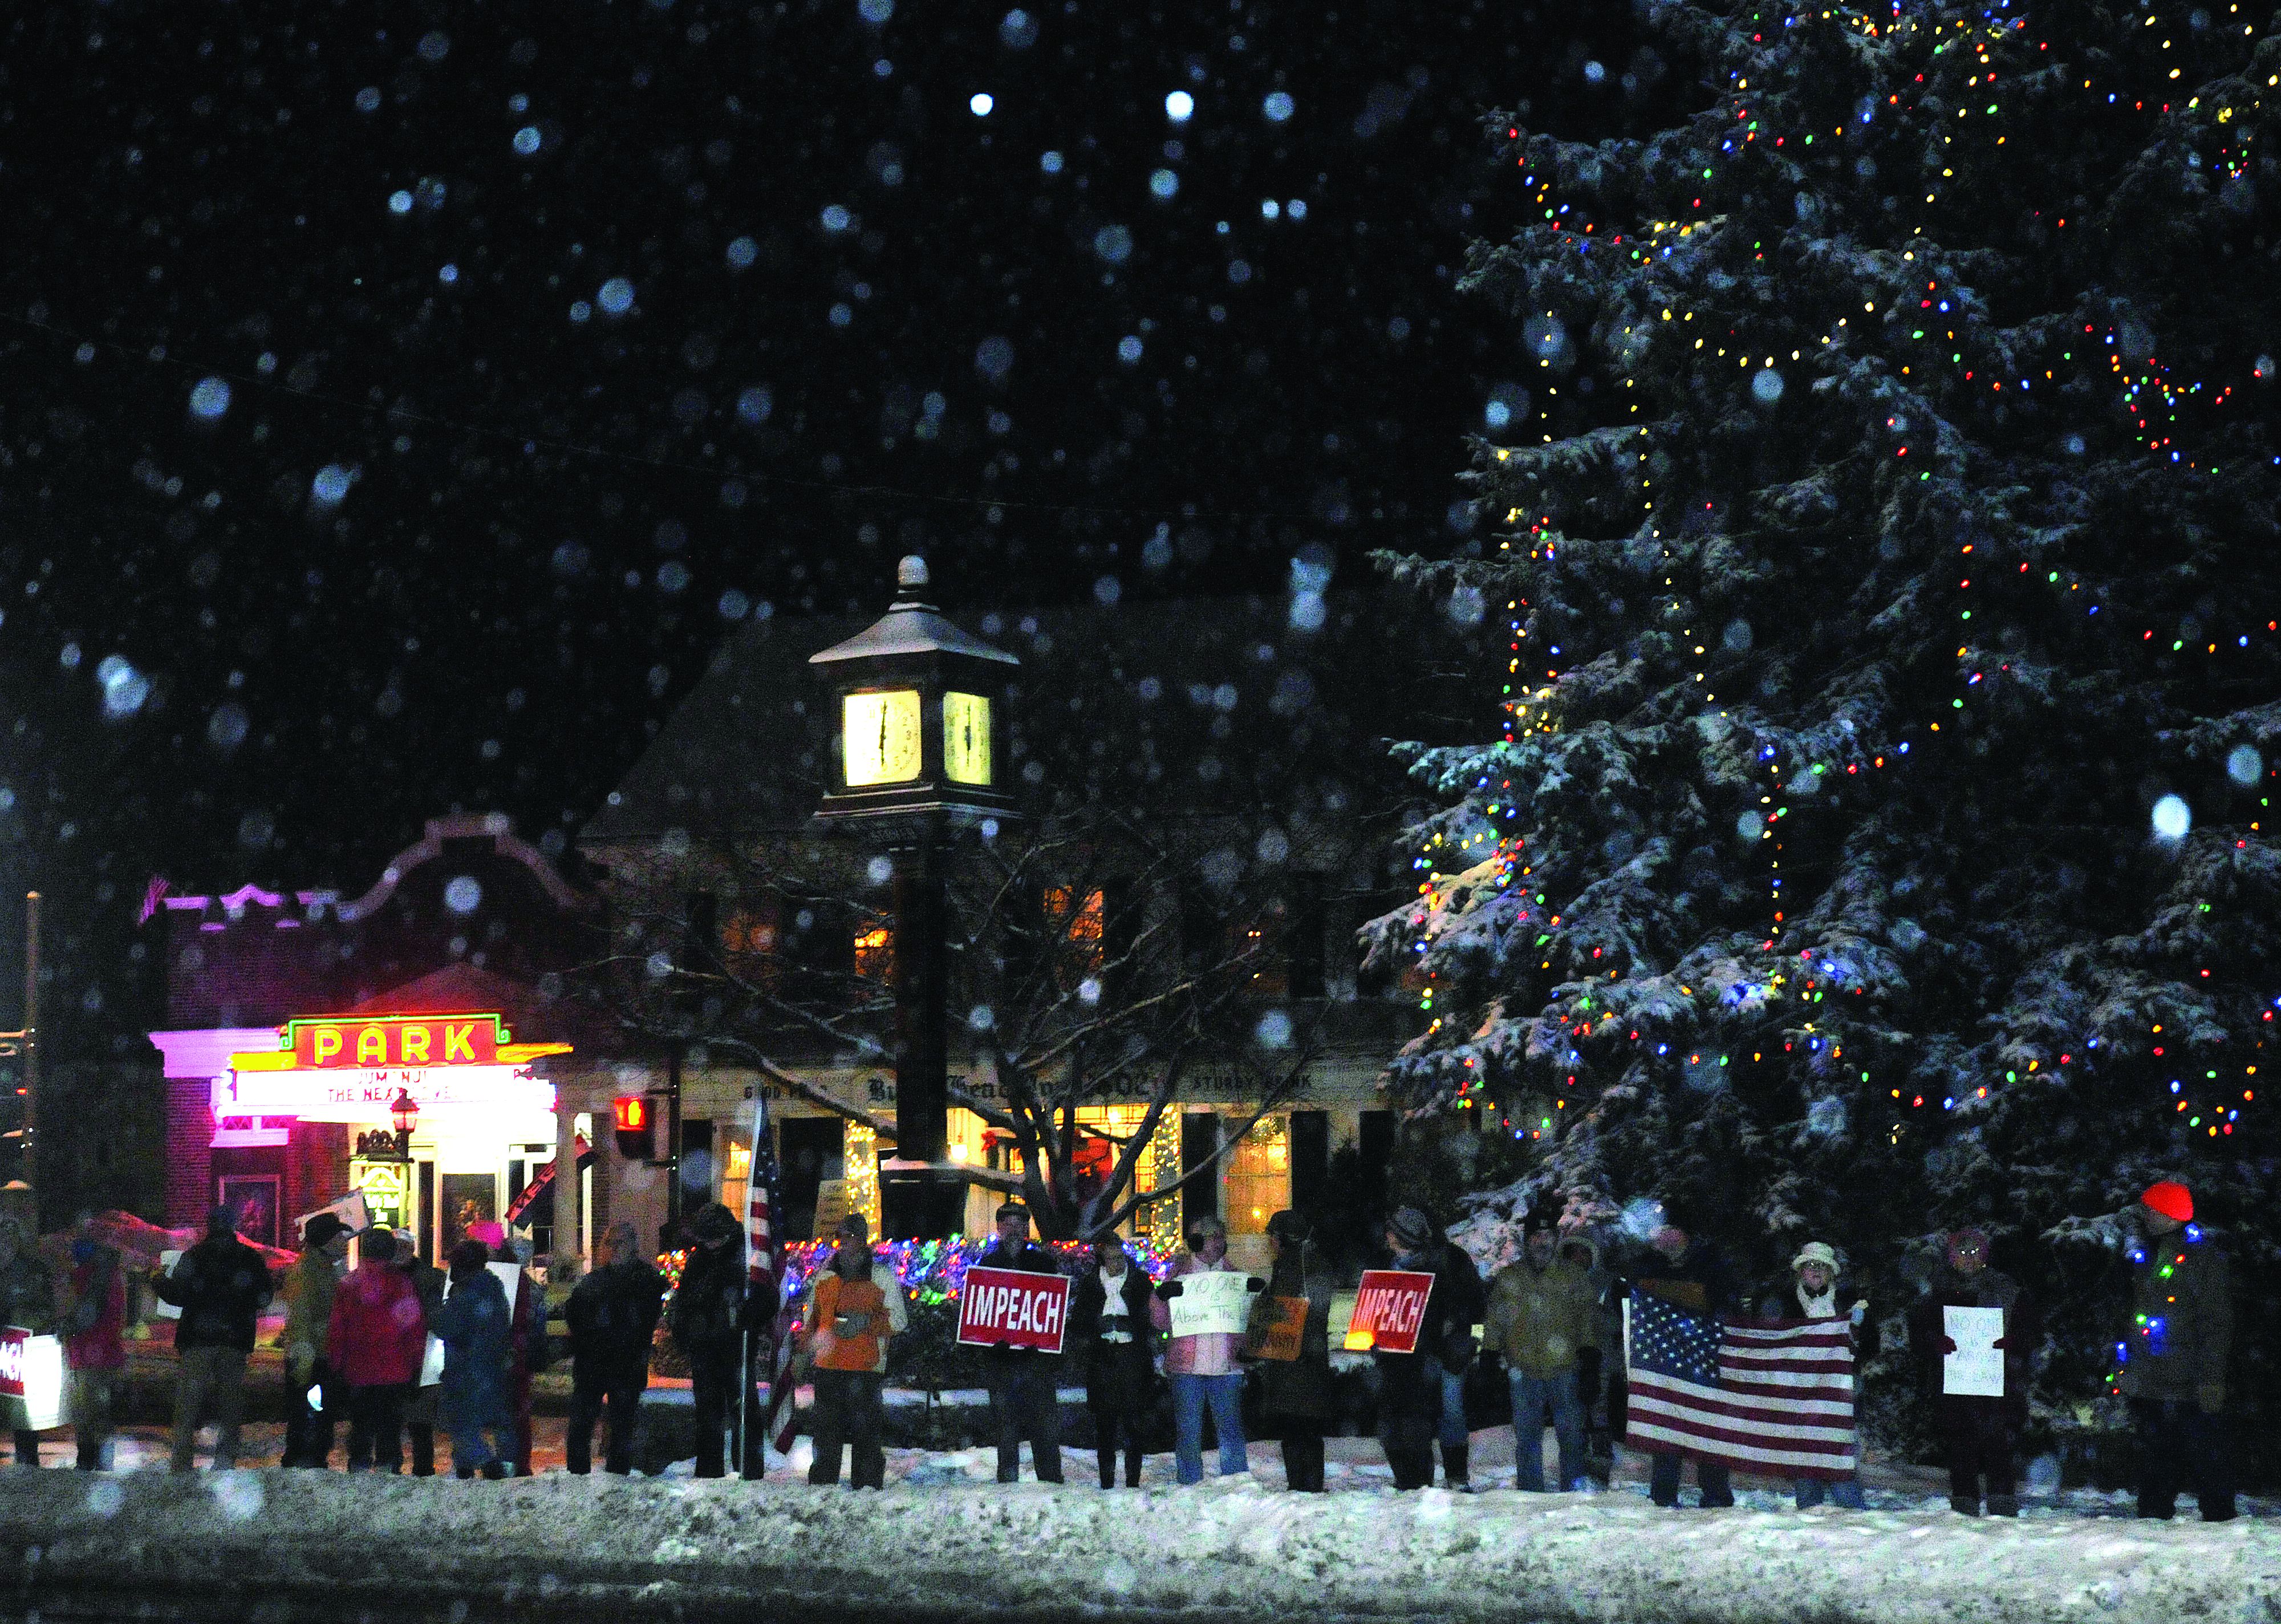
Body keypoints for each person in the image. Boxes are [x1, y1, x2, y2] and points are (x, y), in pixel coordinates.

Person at [2118, 1181, 2234, 1522]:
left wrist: (2211, 1380)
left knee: (2203, 1454)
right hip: (2154, 1379)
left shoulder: (2202, 1258)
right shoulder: (2150, 1255)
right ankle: (2154, 1516)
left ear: (2171, 1214)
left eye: (2153, 1209)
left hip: (2187, 1380)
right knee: (2158, 1455)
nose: (2146, 1216)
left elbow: (2215, 1323)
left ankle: (2220, 1519)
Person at [1909, 1226, 2036, 1517]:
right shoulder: (1936, 1293)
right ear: (1952, 1257)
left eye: (1975, 1252)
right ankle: (1964, 1506)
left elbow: (2030, 1332)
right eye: (1962, 1252)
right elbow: (1919, 1334)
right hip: (1955, 1384)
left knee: (1999, 1447)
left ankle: (2002, 1505)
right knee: (1960, 1447)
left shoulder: (2006, 1290)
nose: (1969, 1258)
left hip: (1998, 1384)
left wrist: (2014, 1342)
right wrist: (1934, 1343)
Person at [1484, 1209, 1601, 1493]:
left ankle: (1572, 1491)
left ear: (1556, 1239)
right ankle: (1530, 1491)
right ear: (1528, 1240)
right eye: (1536, 1236)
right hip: (1523, 1371)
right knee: (1527, 1438)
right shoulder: (1509, 1277)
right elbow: (1496, 1320)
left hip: (1566, 1369)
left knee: (1572, 1436)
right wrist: (1488, 1354)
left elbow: (1587, 1318)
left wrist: (1589, 1356)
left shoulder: (1573, 1276)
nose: (1542, 1242)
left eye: (1548, 1236)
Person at [1629, 1200, 1736, 1509]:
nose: (1667, 1238)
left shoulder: (1711, 1263)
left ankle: (1716, 1495)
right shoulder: (1646, 1266)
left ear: (1686, 1234)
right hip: (1664, 1365)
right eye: (1661, 1232)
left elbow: (1721, 1302)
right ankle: (1663, 1496)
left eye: (1673, 1231)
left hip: (1704, 1362)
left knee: (1708, 1431)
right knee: (1666, 1432)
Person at [151, 1205, 274, 1472]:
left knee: (188, 1405)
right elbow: (264, 1296)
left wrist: (158, 1279)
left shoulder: (195, 1256)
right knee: (230, 1405)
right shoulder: (248, 1258)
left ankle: (182, 1463)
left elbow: (177, 1296)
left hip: (198, 1340)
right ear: (233, 1226)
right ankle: (224, 1462)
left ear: (210, 1226)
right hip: (234, 1340)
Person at [1762, 1241, 1872, 1511]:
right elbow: (1772, 1342)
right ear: (1801, 1271)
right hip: (1799, 1390)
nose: (1816, 1272)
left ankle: (1851, 1510)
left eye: (1822, 1267)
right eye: (1811, 1266)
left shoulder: (1849, 1302)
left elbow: (1871, 1345)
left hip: (1839, 1389)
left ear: (1831, 1273)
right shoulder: (1785, 1304)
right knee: (1804, 1447)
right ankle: (1810, 1508)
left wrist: (1856, 1330)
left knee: (1840, 1448)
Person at [1152, 1212, 1258, 1485]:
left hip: (1227, 1366)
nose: (1215, 1245)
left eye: (1219, 1239)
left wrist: (1254, 1296)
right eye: (1209, 1239)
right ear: (1196, 1242)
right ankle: (1190, 1483)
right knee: (1188, 1430)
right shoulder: (1179, 1274)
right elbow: (1159, 1321)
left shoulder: (1235, 1278)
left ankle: (1236, 1483)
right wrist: (1162, 1298)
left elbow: (1249, 1320)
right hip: (1188, 1367)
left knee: (1231, 1428)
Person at [803, 1212, 906, 1489]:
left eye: (852, 1238)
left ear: (863, 1241)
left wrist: (867, 1324)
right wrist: (805, 1352)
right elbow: (811, 1321)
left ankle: (868, 1487)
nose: (846, 1244)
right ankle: (823, 1486)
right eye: (842, 1239)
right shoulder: (824, 1278)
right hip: (828, 1367)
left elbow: (899, 1320)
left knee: (866, 1434)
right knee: (826, 1434)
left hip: (865, 1368)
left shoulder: (881, 1278)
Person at [563, 1219, 665, 1476]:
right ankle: (578, 1478)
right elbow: (574, 1313)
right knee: (581, 1426)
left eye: (620, 1243)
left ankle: (617, 1477)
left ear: (632, 1246)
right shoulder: (594, 1281)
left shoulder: (645, 1279)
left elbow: (644, 1319)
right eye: (611, 1243)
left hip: (625, 1363)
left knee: (621, 1426)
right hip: (593, 1363)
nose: (615, 1248)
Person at [1374, 1206, 1463, 1491]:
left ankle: (1419, 1483)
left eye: (1392, 1231)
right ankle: (1404, 1478)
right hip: (1391, 1359)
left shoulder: (1434, 1270)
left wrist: (1427, 1340)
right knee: (1391, 1426)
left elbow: (1443, 1315)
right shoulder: (1386, 1267)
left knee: (1415, 1426)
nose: (1387, 1236)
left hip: (1420, 1361)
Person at [977, 1200, 1065, 1483]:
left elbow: (1052, 1312)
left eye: (1019, 1225)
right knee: (1006, 1430)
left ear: (1027, 1229)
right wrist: (993, 1345)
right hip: (1002, 1365)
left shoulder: (1043, 1265)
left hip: (1036, 1363)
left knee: (1045, 1431)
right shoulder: (987, 1266)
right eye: (1008, 1224)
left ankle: (1051, 1485)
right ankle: (1008, 1485)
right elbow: (982, 1314)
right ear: (999, 1228)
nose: (1014, 1230)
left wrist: (1041, 1345)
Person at [1248, 1209, 1335, 1492]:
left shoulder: (1300, 1265)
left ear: (1285, 1238)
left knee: (1301, 1430)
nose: (1270, 1242)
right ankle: (1302, 1486)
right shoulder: (1297, 1263)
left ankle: (1305, 1487)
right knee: (1298, 1429)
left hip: (1299, 1362)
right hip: (1296, 1361)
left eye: (1273, 1236)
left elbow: (1299, 1310)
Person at [327, 1228, 427, 1473]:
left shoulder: (348, 1284)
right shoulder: (401, 1284)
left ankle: (359, 1464)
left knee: (361, 1422)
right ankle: (387, 1465)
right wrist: (416, 1363)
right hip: (394, 1368)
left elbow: (338, 1329)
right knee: (389, 1425)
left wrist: (336, 1363)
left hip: (358, 1368)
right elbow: (413, 1328)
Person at [1071, 1231, 1157, 1489]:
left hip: (1133, 1359)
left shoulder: (1141, 1282)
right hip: (1103, 1360)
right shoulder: (1090, 1285)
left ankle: (1132, 1482)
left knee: (1134, 1425)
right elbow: (1079, 1323)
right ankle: (1106, 1482)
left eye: (1119, 1257)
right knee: (1105, 1425)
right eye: (1111, 1258)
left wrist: (1128, 1323)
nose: (1116, 1263)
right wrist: (1097, 1327)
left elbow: (1151, 1320)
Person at [669, 1203, 748, 1479]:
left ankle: (746, 1469)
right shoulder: (701, 1259)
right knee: (708, 1415)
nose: (709, 1244)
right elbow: (686, 1298)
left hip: (734, 1344)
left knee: (741, 1412)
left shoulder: (742, 1257)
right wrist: (685, 1330)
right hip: (705, 1345)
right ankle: (709, 1471)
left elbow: (753, 1301)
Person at [432, 1238, 516, 1478]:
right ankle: (463, 1469)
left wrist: (433, 1308)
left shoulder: (467, 1293)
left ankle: (487, 1464)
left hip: (466, 1368)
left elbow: (446, 1327)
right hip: (490, 1366)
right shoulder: (493, 1288)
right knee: (479, 1418)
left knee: (459, 1421)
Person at [278, 1213, 349, 1468]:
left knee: (316, 1414)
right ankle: (305, 1462)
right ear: (327, 1240)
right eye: (340, 1236)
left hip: (319, 1353)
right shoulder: (309, 1271)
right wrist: (305, 1358)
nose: (345, 1241)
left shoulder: (323, 1268)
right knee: (309, 1413)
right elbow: (302, 1315)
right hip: (312, 1356)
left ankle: (309, 1459)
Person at [60, 1213, 127, 1471]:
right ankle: (102, 1461)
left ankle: (89, 1462)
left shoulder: (92, 1273)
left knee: (88, 1414)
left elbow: (86, 1315)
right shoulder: (110, 1272)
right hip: (107, 1353)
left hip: (91, 1355)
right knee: (103, 1413)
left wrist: (66, 1327)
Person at [0, 1215, 56, 1466]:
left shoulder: (31, 1271)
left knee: (21, 1405)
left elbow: (44, 1307)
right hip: (10, 1345)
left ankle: (27, 1460)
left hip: (20, 1348)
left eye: (8, 1239)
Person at [393, 1229, 448, 1476]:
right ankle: (392, 1462)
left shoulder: (430, 1278)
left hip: (423, 1352)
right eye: (397, 1247)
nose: (401, 1252)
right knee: (393, 1412)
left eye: (405, 1247)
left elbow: (439, 1313)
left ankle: (423, 1466)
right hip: (393, 1352)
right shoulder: (387, 1277)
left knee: (420, 1414)